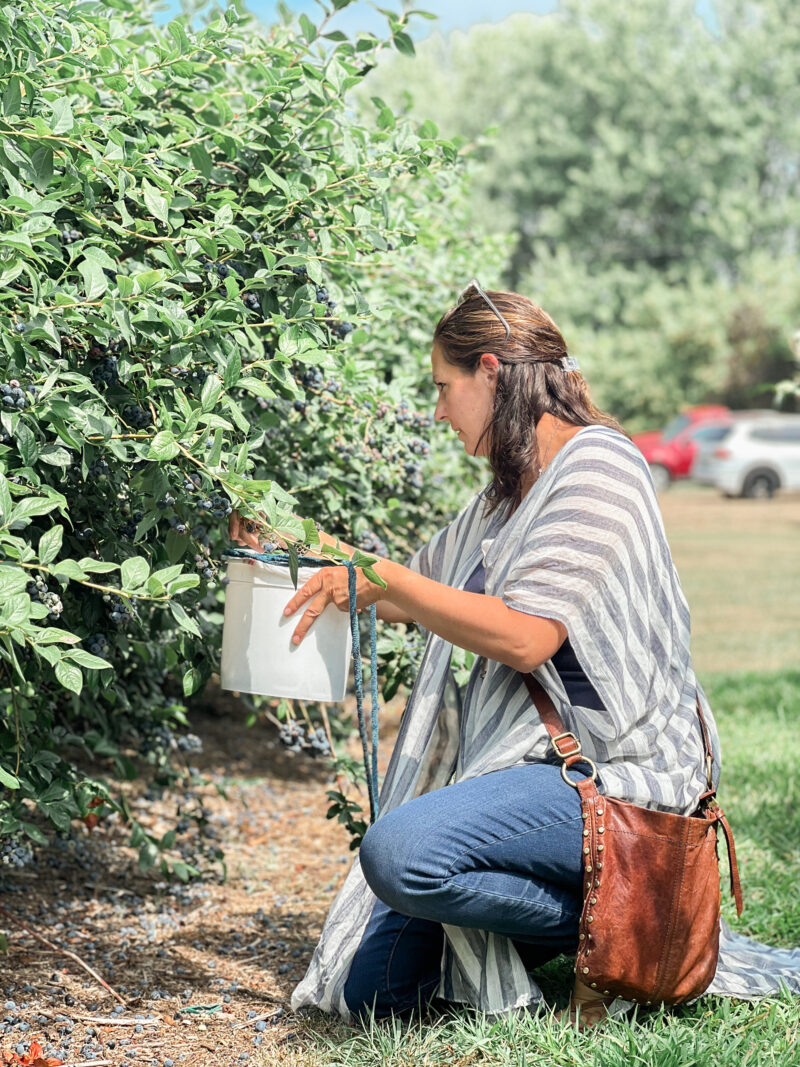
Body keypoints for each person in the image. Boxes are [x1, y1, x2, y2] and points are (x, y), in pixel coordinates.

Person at [230, 284, 800, 1026]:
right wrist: (301, 547)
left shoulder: (599, 467)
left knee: (400, 855)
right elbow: (416, 590)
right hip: (540, 767)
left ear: (491, 371)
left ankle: (635, 912)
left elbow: (525, 634)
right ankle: (603, 919)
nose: (437, 411)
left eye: (443, 387)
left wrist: (378, 575)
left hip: (624, 772)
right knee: (378, 994)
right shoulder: (505, 492)